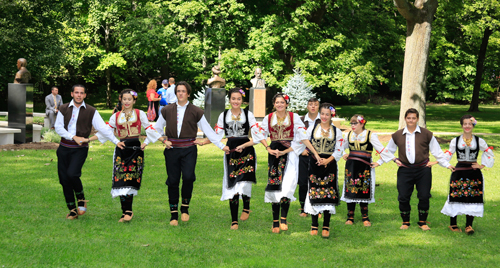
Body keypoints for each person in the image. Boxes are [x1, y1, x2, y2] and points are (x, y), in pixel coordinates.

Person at [153, 81, 229, 226]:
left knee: (188, 177)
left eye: (183, 91)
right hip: (172, 150)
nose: (180, 93)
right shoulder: (167, 110)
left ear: (188, 94)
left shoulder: (196, 111)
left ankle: (185, 208)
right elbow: (155, 129)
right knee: (173, 180)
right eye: (178, 91)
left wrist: (221, 146)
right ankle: (174, 213)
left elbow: (208, 131)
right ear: (176, 93)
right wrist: (163, 140)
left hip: (189, 150)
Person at [55, 84, 125, 220]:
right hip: (64, 147)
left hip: (80, 149)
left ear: (85, 95)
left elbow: (104, 129)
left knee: (72, 174)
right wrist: (73, 137)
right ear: (72, 94)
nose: (79, 95)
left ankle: (81, 198)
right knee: (64, 180)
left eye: (81, 93)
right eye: (76, 92)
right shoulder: (63, 109)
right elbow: (58, 128)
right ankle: (72, 210)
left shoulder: (91, 111)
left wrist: (116, 141)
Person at [200, 88, 266, 230]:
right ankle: (234, 220)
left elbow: (258, 136)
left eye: (238, 99)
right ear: (229, 100)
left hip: (247, 150)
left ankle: (246, 207)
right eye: (233, 98)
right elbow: (216, 134)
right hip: (231, 151)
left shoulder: (249, 115)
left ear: (242, 100)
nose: (236, 101)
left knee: (245, 183)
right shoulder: (223, 116)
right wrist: (203, 142)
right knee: (232, 184)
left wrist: (263, 146)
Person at [97, 89, 163, 222]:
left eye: (129, 99)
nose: (127, 102)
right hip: (121, 149)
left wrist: (153, 142)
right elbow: (106, 131)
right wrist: (88, 140)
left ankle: (128, 211)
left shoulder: (140, 113)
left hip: (135, 150)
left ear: (134, 100)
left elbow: (149, 128)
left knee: (130, 179)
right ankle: (125, 211)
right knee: (120, 179)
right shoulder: (115, 116)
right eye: (124, 99)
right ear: (121, 99)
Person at [260, 93, 321, 234]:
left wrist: (315, 153)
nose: (280, 104)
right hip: (274, 156)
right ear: (274, 104)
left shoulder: (294, 118)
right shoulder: (268, 118)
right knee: (274, 187)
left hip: (290, 156)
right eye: (277, 102)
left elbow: (303, 137)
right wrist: (268, 148)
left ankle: (283, 219)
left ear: (287, 104)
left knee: (287, 187)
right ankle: (275, 222)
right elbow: (260, 134)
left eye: (282, 102)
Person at [384, 108, 453, 231]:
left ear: (417, 119)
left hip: (423, 170)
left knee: (424, 195)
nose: (411, 120)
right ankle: (405, 222)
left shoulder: (426, 134)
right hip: (405, 170)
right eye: (409, 118)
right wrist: (394, 159)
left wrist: (447, 165)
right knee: (403, 196)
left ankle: (422, 222)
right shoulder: (398, 135)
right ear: (405, 119)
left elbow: (437, 152)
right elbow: (387, 151)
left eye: (413, 118)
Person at [440, 115, 494, 234]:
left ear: (473, 125)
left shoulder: (479, 140)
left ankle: (468, 225)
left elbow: (489, 152)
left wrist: (482, 165)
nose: (467, 126)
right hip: (459, 171)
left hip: (473, 172)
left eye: (470, 124)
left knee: (472, 197)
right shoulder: (456, 140)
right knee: (455, 196)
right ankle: (453, 224)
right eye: (465, 124)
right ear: (462, 125)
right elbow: (448, 153)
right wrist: (447, 165)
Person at [340, 114, 392, 227]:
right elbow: (339, 147)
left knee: (364, 190)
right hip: (351, 166)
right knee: (351, 189)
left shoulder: (370, 135)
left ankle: (365, 217)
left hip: (365, 167)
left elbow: (382, 149)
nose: (353, 126)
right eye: (351, 123)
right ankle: (350, 217)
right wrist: (344, 154)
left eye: (355, 123)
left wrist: (379, 162)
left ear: (362, 124)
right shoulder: (348, 135)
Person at [304, 103, 343, 238]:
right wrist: (316, 156)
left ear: (332, 115)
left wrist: (328, 160)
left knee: (328, 193)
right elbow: (303, 140)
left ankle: (326, 225)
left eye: (327, 114)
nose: (324, 116)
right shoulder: (312, 128)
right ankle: (314, 224)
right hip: (314, 164)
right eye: (322, 114)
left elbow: (339, 149)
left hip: (329, 164)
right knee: (314, 191)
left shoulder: (337, 131)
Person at [298, 97, 320, 217]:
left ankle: (317, 206)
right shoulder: (300, 120)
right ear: (307, 106)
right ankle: (303, 207)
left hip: (318, 157)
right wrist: (301, 151)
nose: (313, 106)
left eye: (315, 105)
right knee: (303, 182)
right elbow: (296, 138)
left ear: (318, 107)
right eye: (310, 104)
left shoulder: (323, 120)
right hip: (303, 156)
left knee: (317, 181)